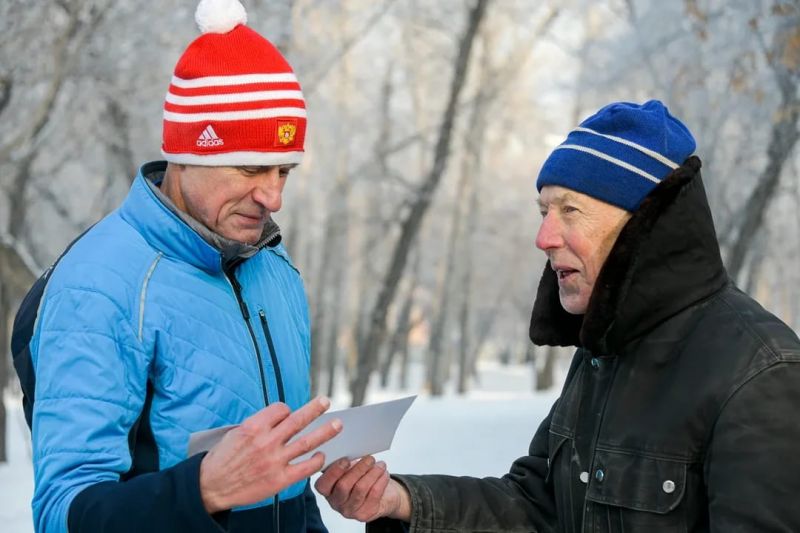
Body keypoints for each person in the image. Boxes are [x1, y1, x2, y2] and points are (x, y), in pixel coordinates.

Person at [315, 100, 800, 532]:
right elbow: (540, 507)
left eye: (570, 211)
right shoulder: (602, 353)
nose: (543, 237)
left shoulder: (759, 374)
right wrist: (400, 501)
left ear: (645, 224)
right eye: (544, 211)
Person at [22, 0, 341, 531]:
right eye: (250, 168)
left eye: (283, 170)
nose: (274, 197)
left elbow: (284, 488)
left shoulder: (272, 265)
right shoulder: (99, 285)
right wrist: (204, 489)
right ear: (189, 154)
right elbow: (61, 512)